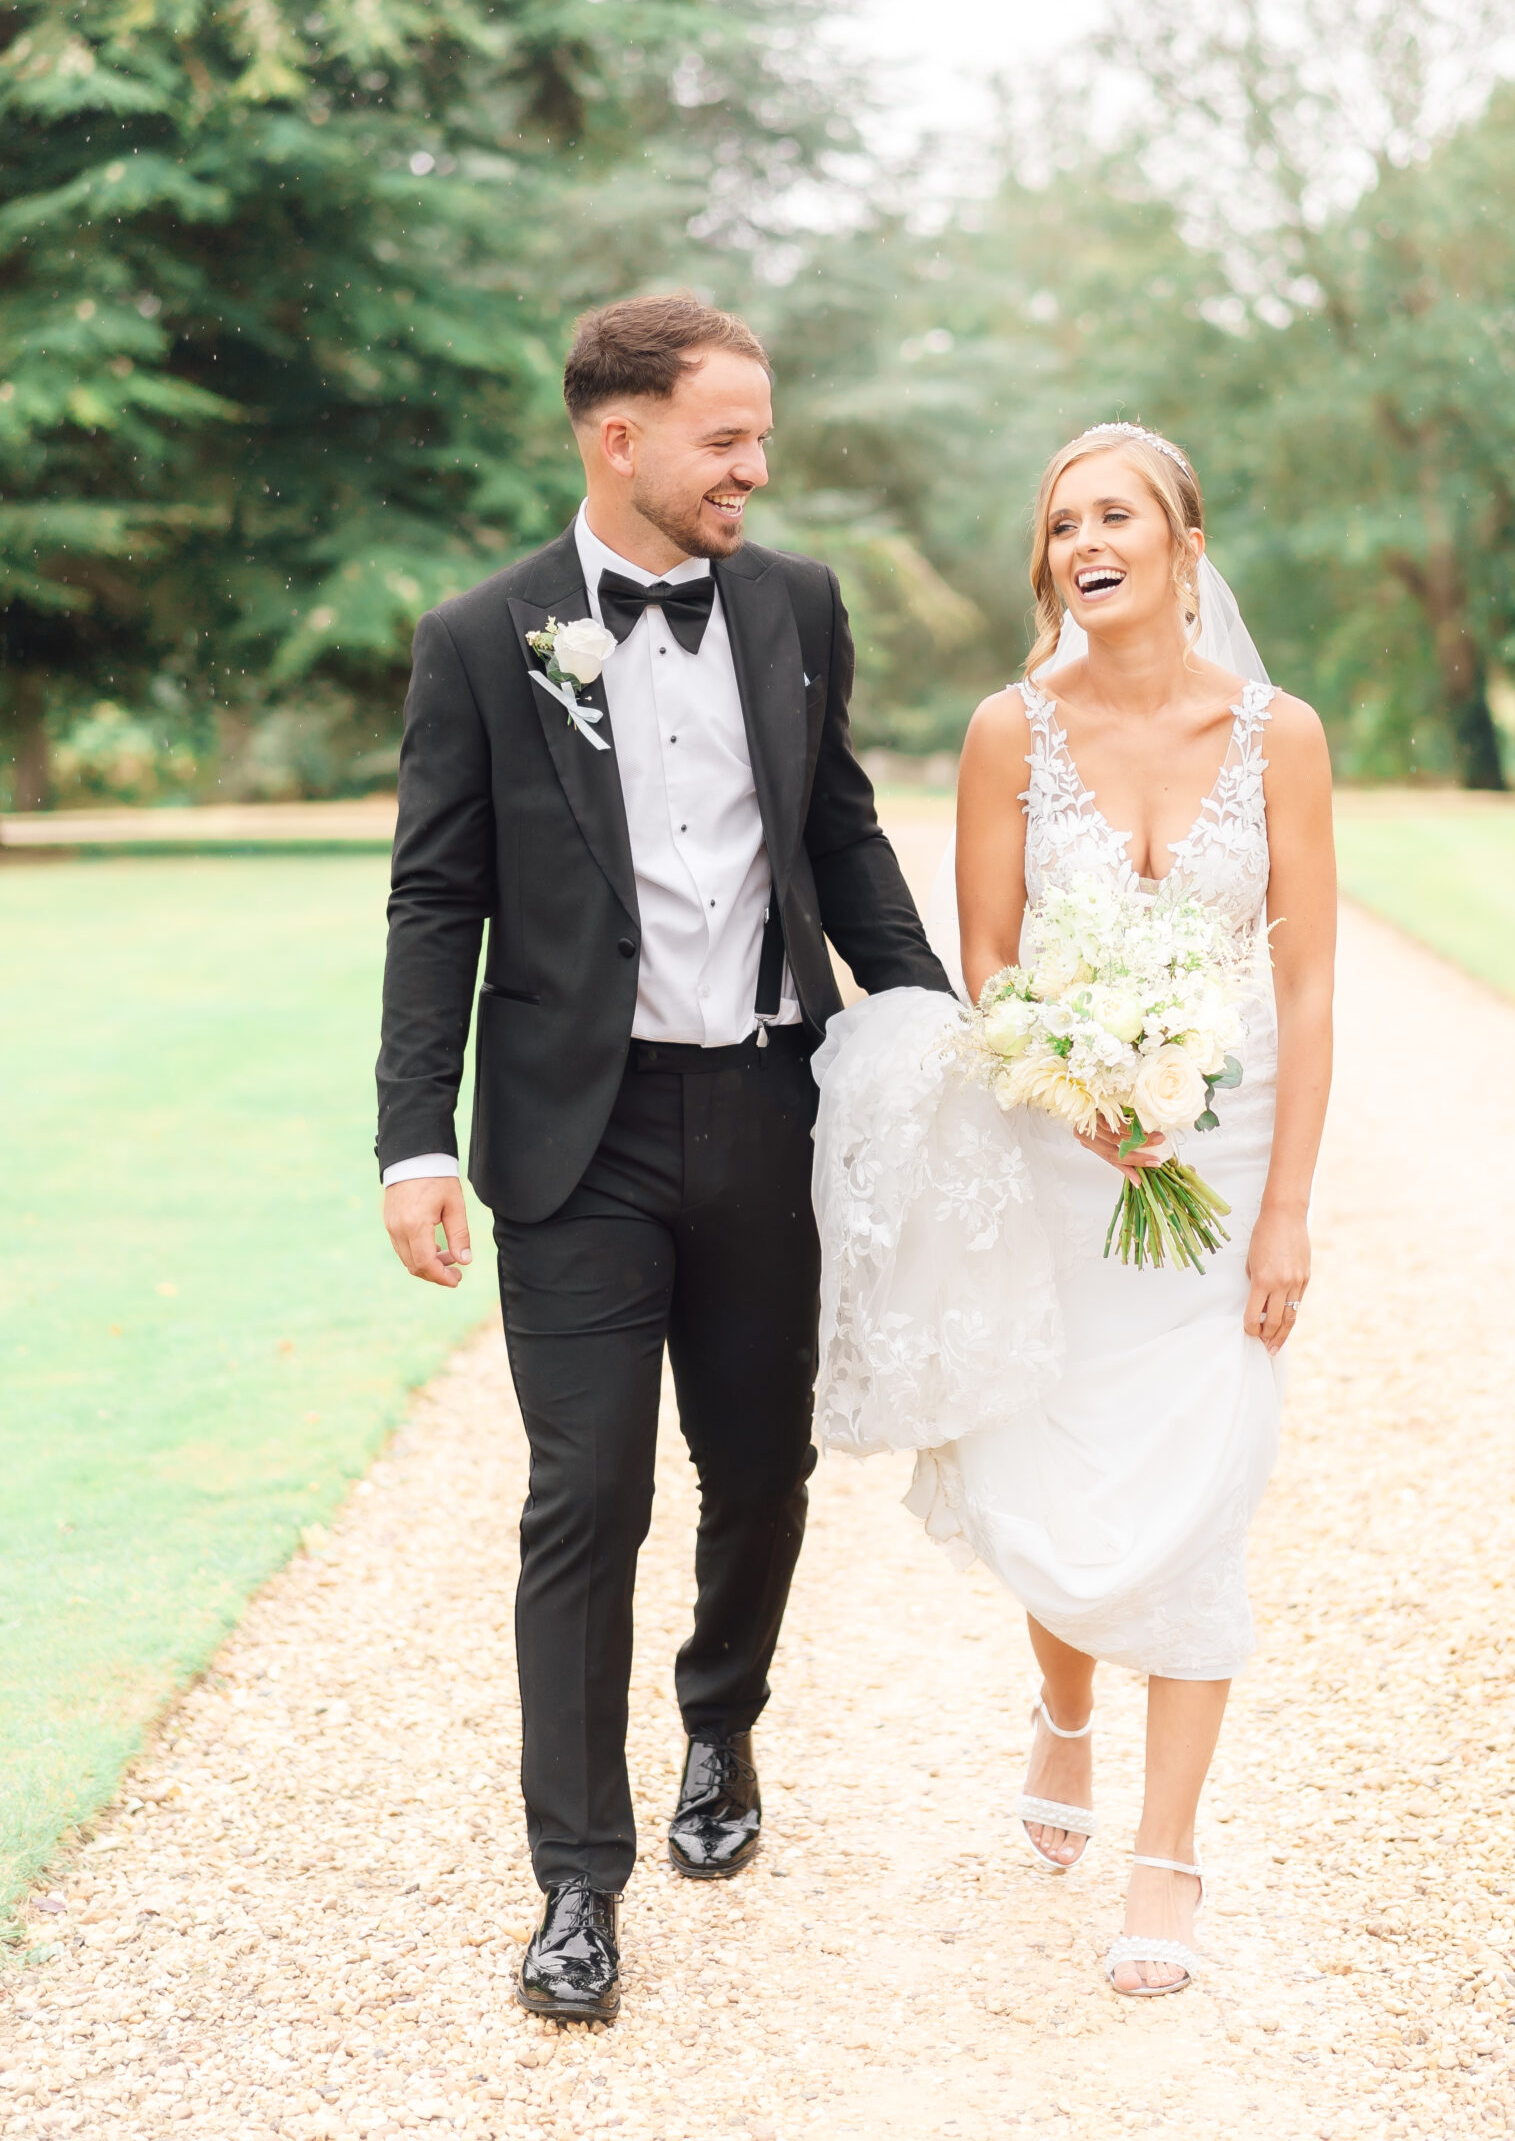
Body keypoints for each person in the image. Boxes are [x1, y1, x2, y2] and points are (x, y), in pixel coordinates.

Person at [374, 293, 951, 2023]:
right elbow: (435, 898)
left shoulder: (795, 609)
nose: (755, 470)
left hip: (769, 1103)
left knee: (761, 1472)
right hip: (579, 1134)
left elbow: (835, 829)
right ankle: (576, 1884)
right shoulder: (484, 639)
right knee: (588, 1493)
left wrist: (931, 1021)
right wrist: (412, 1133)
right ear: (617, 438)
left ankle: (722, 1726)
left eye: (761, 436)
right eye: (726, 437)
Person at [813, 423, 1335, 1995]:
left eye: (1113, 516)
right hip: (1058, 1150)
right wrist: (1077, 1076)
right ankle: (1062, 1707)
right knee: (1047, 1466)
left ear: (1182, 540)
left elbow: (1304, 988)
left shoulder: (1279, 735)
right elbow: (991, 962)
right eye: (1059, 526)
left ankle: (1168, 1861)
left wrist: (1288, 1206)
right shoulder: (1005, 732)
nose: (1081, 544)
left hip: (1224, 1152)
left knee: (1201, 1481)